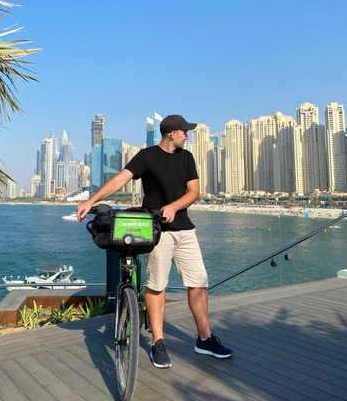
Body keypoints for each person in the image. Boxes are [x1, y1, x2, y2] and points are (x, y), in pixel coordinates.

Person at [77, 114, 233, 368]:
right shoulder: (146, 156)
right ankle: (158, 342)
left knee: (198, 284)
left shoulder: (187, 157)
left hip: (185, 230)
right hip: (156, 230)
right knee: (157, 286)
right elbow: (120, 179)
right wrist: (91, 201)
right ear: (172, 133)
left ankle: (205, 339)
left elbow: (194, 191)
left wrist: (173, 205)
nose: (188, 135)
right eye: (185, 131)